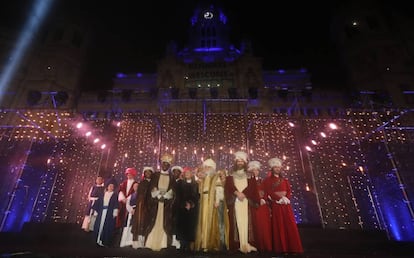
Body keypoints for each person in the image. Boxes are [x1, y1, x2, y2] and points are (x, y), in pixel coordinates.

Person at [262, 157, 304, 255]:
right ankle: (282, 248)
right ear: (272, 169)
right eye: (275, 167)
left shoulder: (284, 180)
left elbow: (289, 191)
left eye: (278, 167)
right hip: (276, 205)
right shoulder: (267, 180)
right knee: (279, 225)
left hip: (286, 205)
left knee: (290, 225)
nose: (277, 169)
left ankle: (293, 248)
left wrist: (287, 198)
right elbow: (268, 191)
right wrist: (278, 199)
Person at [224, 151, 260, 254]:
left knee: (248, 222)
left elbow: (253, 187)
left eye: (241, 161)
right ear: (235, 162)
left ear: (244, 163)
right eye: (238, 161)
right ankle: (238, 244)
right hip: (235, 201)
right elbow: (229, 186)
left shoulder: (250, 175)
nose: (240, 163)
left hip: (246, 201)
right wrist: (237, 193)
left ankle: (247, 244)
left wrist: (243, 194)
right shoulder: (230, 174)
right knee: (236, 222)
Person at [194, 158, 229, 252]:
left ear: (212, 168)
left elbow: (219, 189)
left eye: (208, 167)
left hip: (211, 201)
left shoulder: (215, 177)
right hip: (203, 201)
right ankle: (203, 243)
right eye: (205, 167)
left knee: (211, 221)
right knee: (203, 221)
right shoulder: (203, 178)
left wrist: (217, 200)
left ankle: (211, 243)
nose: (206, 168)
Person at [144, 153, 176, 251]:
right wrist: (158, 195)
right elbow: (152, 186)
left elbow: (173, 189)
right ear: (161, 164)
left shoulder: (172, 177)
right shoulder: (155, 175)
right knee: (153, 221)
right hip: (156, 202)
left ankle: (163, 243)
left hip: (165, 204)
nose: (165, 166)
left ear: (169, 166)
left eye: (167, 164)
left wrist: (166, 196)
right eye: (164, 164)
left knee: (164, 222)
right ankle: (150, 242)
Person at [247, 160, 273, 253]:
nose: (255, 172)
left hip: (263, 206)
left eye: (256, 170)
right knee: (255, 226)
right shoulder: (248, 182)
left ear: (258, 171)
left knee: (264, 226)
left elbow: (267, 192)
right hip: (253, 206)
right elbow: (248, 194)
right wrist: (256, 200)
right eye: (253, 170)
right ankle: (256, 246)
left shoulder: (263, 181)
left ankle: (267, 245)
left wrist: (264, 199)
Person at [175, 167, 200, 252]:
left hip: (192, 209)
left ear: (191, 174)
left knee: (191, 226)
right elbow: (178, 195)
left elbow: (197, 196)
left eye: (189, 173)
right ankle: (183, 244)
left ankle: (189, 245)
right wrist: (185, 204)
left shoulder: (196, 184)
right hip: (182, 208)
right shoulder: (180, 183)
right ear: (184, 174)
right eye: (186, 173)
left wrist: (191, 204)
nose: (188, 174)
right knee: (182, 226)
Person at [92, 177, 119, 247]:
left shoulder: (114, 195)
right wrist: (96, 212)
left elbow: (116, 204)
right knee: (99, 226)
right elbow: (98, 203)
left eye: (112, 186)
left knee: (107, 227)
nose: (111, 187)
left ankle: (104, 241)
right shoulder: (103, 194)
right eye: (110, 186)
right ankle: (97, 240)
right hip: (101, 212)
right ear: (107, 186)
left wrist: (114, 212)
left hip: (109, 214)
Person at [131, 166, 154, 249]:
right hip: (141, 205)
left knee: (147, 223)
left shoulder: (153, 183)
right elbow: (139, 195)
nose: (148, 174)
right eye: (146, 172)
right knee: (139, 222)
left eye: (149, 172)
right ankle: (137, 242)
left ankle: (146, 242)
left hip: (150, 206)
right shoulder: (142, 183)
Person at [119, 181, 139, 247]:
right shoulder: (131, 195)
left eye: (137, 186)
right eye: (135, 186)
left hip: (138, 212)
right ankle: (127, 241)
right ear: (133, 188)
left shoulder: (141, 195)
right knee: (128, 226)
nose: (136, 187)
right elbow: (127, 203)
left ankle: (134, 242)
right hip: (131, 212)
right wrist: (131, 210)